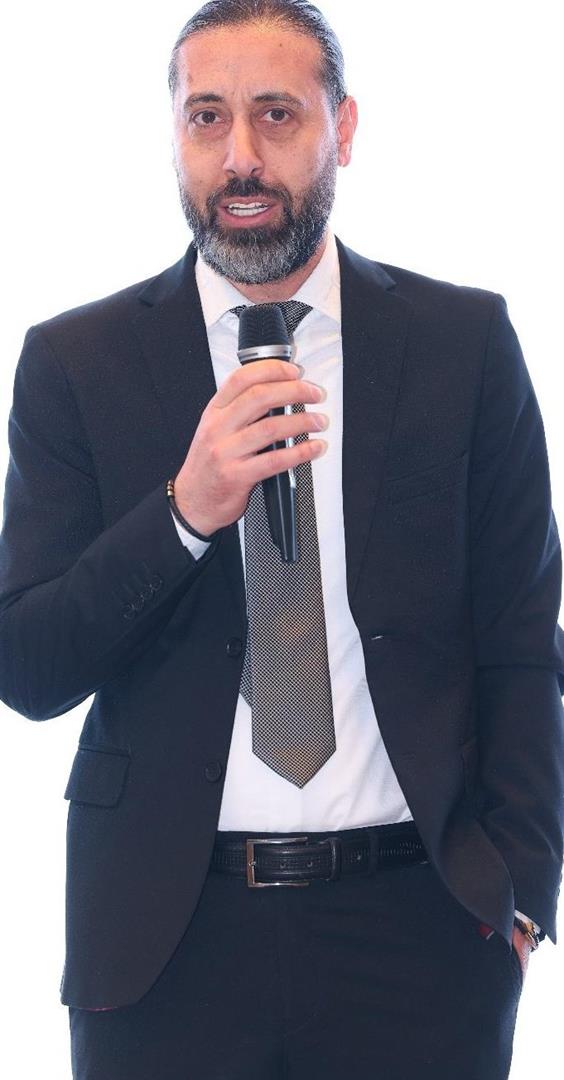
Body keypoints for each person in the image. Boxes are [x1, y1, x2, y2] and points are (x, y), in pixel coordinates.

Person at [1, 1, 563, 1077]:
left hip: (421, 936)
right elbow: (28, 666)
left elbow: (520, 640)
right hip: (164, 945)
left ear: (340, 130)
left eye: (276, 114)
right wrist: (184, 512)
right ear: (175, 134)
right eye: (207, 118)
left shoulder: (464, 344)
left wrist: (522, 898)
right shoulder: (75, 362)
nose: (241, 158)